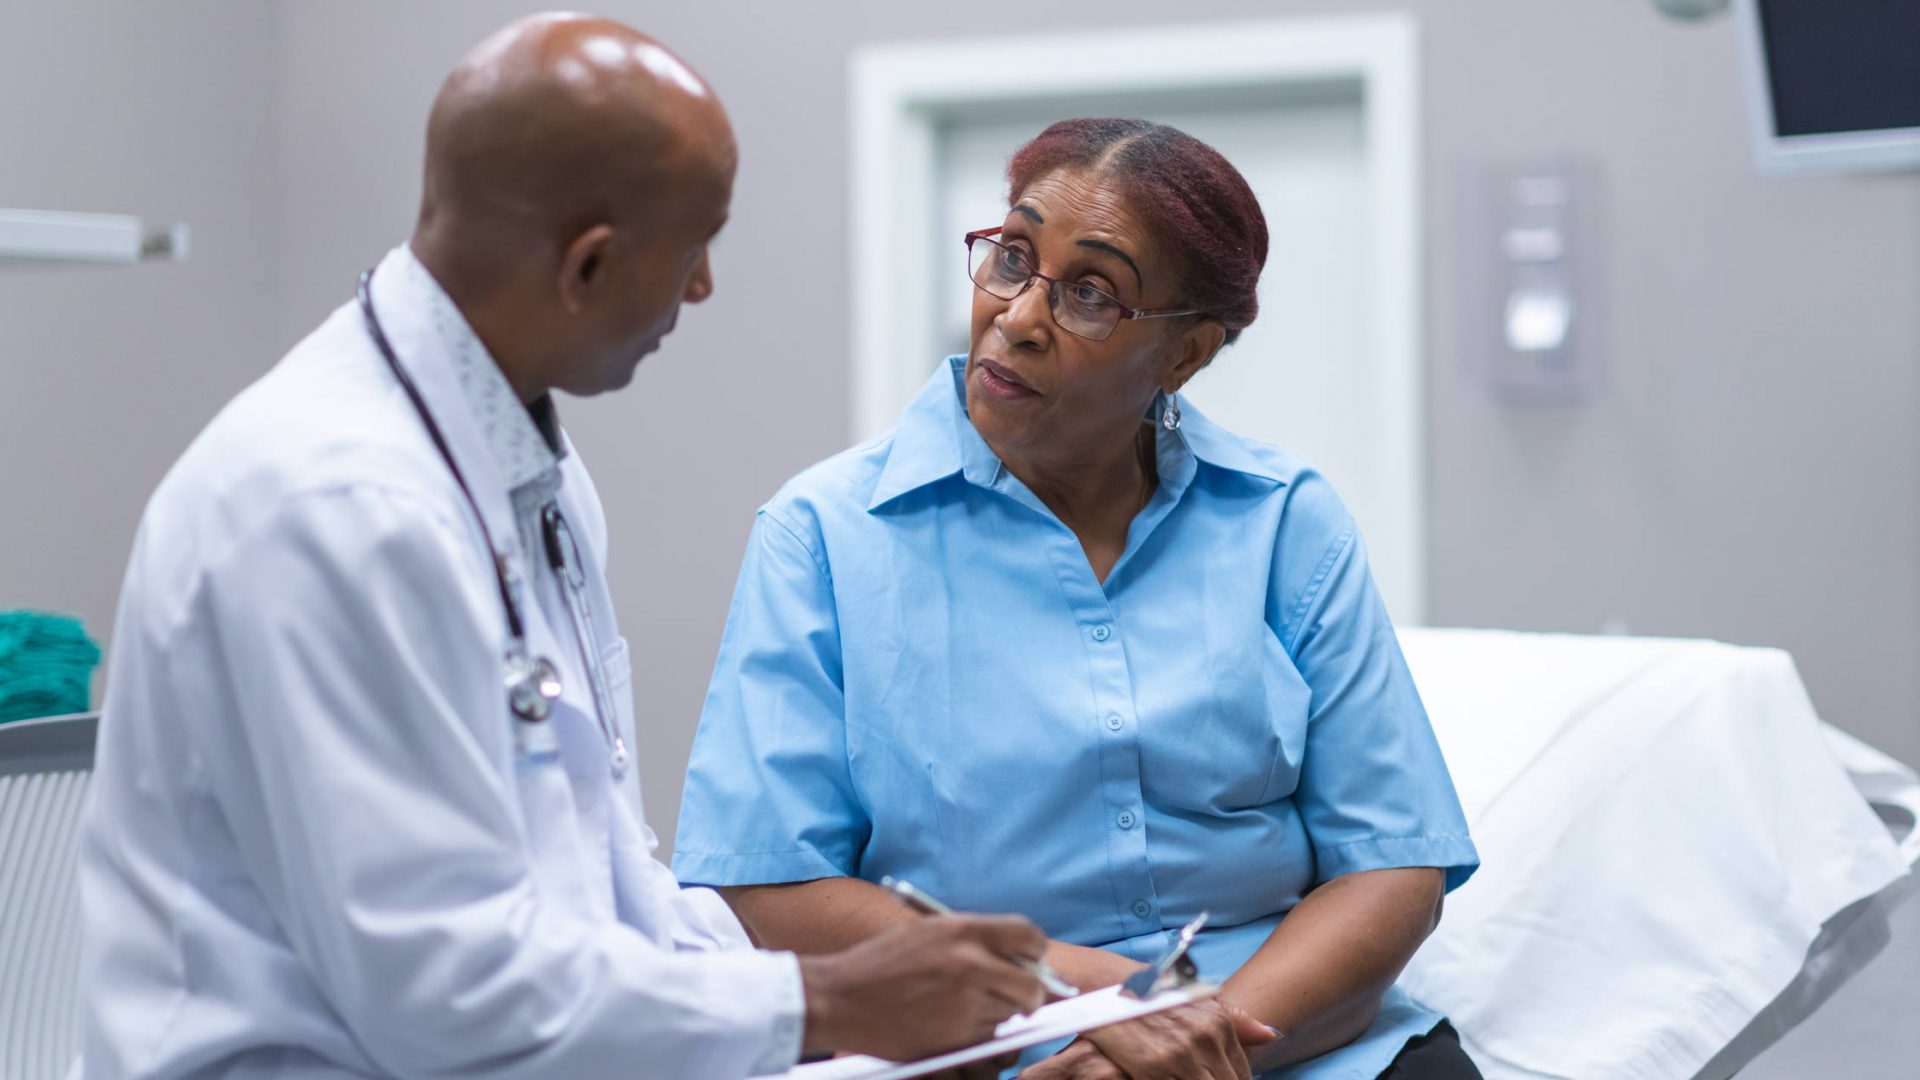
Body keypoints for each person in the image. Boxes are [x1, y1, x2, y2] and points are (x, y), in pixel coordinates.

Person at [75, 14, 1047, 1079]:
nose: (702, 288)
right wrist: (822, 1000)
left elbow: (604, 890)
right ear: (588, 266)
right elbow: (450, 995)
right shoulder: (329, 506)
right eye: (694, 249)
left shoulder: (530, 471)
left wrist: (890, 1019)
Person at [673, 118, 1482, 1079]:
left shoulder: (1282, 521)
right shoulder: (824, 533)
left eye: (1091, 294)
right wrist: (1084, 993)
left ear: (1184, 355)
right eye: (1012, 258)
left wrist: (1186, 1045)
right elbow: (772, 886)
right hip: (987, 1045)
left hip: (1282, 1036)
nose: (1018, 315)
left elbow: (1394, 865)